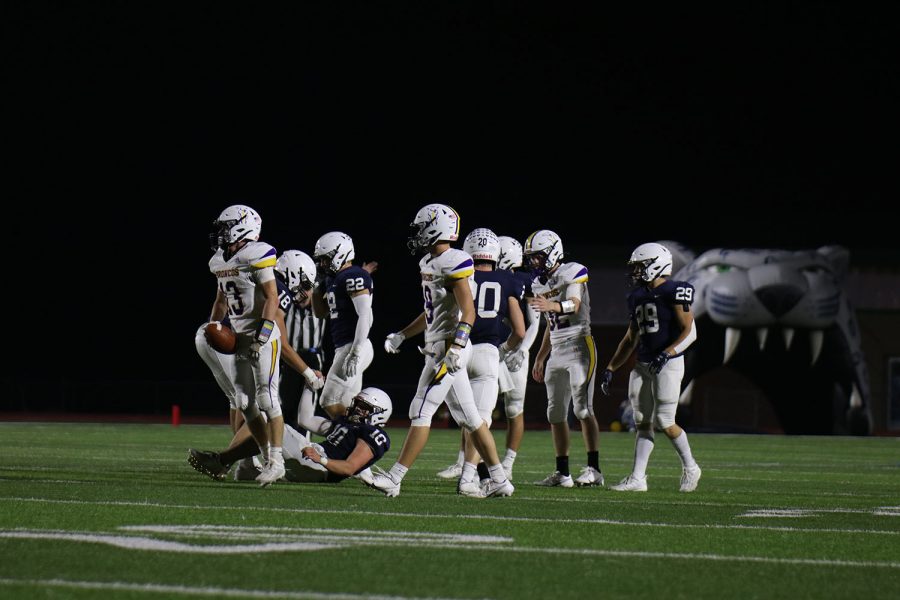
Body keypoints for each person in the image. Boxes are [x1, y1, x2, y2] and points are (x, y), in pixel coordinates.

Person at [371, 203, 515, 498]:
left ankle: (395, 477)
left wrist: (458, 346)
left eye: (421, 227)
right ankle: (500, 480)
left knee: (421, 410)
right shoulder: (429, 262)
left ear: (436, 228)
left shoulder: (456, 261)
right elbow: (432, 312)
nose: (417, 234)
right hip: (437, 346)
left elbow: (469, 312)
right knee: (472, 419)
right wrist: (402, 334)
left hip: (450, 348)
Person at [206, 208, 324, 487]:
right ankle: (255, 459)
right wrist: (214, 326)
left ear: (243, 228)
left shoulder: (257, 254)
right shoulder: (219, 261)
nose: (222, 232)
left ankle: (276, 462)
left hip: (262, 337)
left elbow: (271, 300)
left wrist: (262, 335)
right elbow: (221, 299)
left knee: (268, 399)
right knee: (244, 401)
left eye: (228, 226)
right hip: (239, 335)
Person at [599, 242, 702, 492]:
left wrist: (667, 354)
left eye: (640, 267)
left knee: (665, 421)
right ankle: (638, 478)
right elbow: (630, 338)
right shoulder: (636, 296)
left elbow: (691, 332)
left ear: (656, 265)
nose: (636, 272)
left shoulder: (676, 290)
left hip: (668, 363)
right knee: (642, 421)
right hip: (643, 362)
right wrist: (612, 367)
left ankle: (691, 467)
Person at [435, 228, 526, 495]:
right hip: (487, 352)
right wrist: (503, 349)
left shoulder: (459, 273)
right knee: (480, 420)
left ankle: (474, 475)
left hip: (460, 347)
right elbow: (519, 331)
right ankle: (468, 478)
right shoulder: (508, 280)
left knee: (467, 418)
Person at [526, 229, 604, 488]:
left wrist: (554, 306)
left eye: (538, 257)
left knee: (583, 409)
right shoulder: (539, 284)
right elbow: (551, 324)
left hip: (580, 345)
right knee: (555, 413)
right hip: (557, 350)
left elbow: (574, 304)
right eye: (532, 258)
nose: (534, 262)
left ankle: (594, 470)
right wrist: (539, 357)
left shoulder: (573, 271)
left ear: (552, 253)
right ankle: (563, 473)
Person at [188, 387, 392, 484]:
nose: (356, 409)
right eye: (357, 404)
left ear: (378, 414)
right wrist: (309, 386)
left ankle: (223, 461)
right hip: (313, 455)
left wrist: (321, 458)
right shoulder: (347, 424)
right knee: (261, 418)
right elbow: (305, 420)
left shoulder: (374, 434)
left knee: (272, 425)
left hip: (320, 468)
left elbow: (349, 468)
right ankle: (244, 466)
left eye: (364, 408)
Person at [310, 232, 375, 421]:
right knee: (348, 405)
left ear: (340, 254)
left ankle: (353, 439)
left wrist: (355, 352)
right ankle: (357, 442)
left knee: (328, 400)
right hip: (346, 346)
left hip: (353, 345)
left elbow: (365, 315)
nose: (322, 264)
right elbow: (320, 313)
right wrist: (315, 286)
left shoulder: (353, 275)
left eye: (325, 259)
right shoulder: (333, 279)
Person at [495, 235, 540, 479]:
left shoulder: (525, 282)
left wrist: (522, 349)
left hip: (514, 352)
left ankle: (508, 465)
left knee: (513, 409)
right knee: (479, 408)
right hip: (492, 348)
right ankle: (464, 462)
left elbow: (535, 321)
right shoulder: (488, 277)